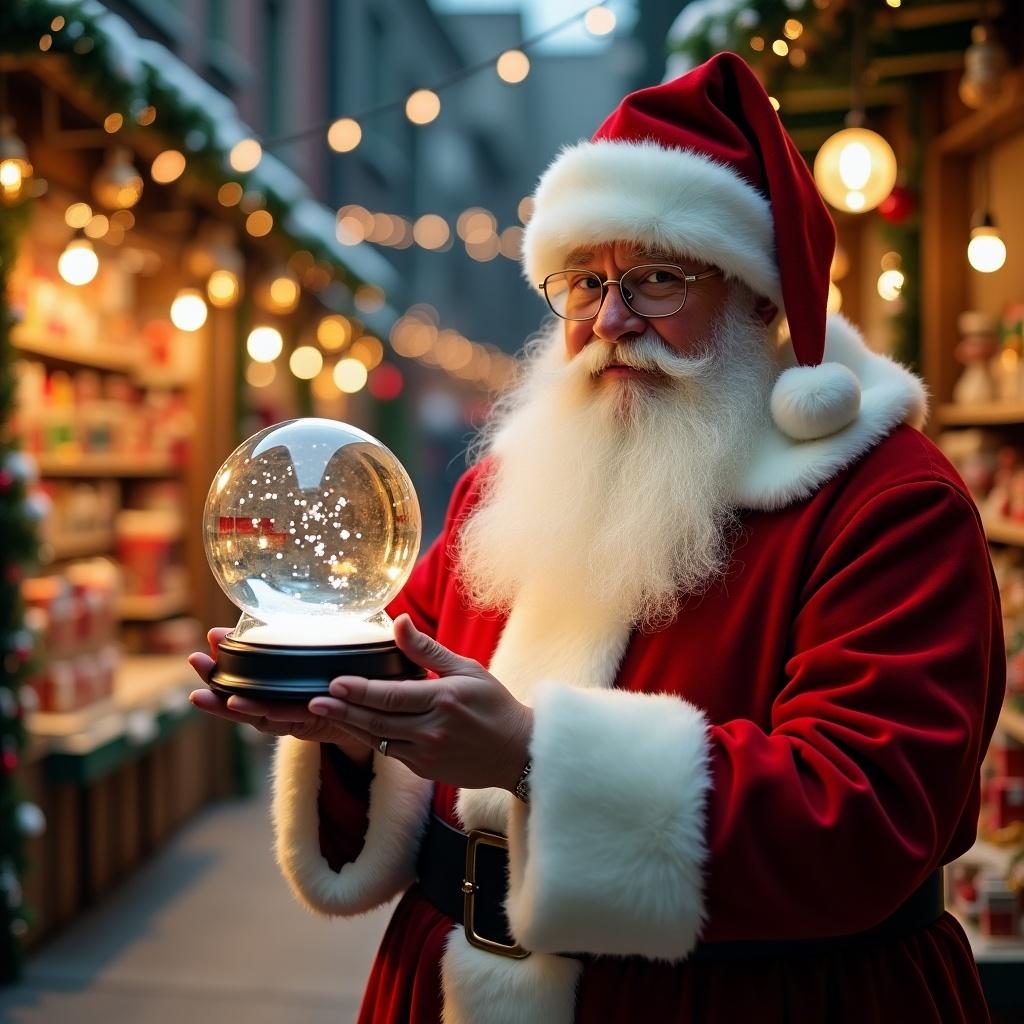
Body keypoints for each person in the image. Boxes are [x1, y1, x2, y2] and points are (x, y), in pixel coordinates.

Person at [189, 52, 1003, 1024]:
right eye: (581, 281)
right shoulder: (513, 481)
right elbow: (416, 691)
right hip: (450, 978)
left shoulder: (883, 500)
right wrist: (350, 725)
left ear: (759, 297)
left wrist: (538, 758)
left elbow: (865, 811)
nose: (612, 319)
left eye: (658, 277)